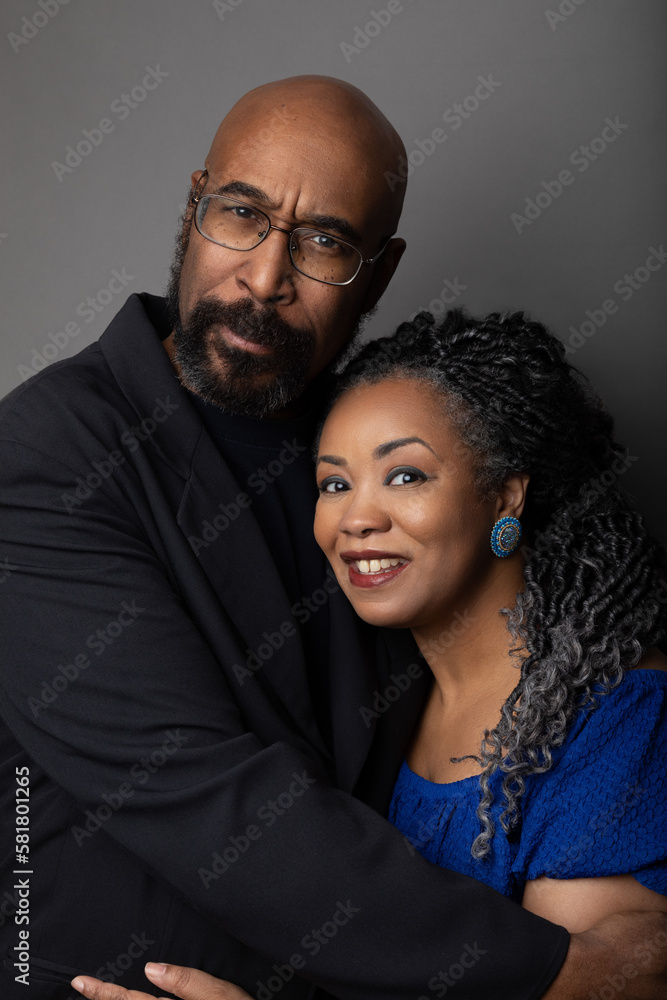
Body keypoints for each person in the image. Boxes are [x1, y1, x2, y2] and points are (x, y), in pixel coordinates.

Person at [0, 75, 664, 1000]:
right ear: (194, 209)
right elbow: (204, 796)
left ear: (379, 273)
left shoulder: (367, 441)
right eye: (240, 214)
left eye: (322, 243)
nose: (264, 279)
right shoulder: (44, 452)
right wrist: (564, 977)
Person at [69, 307, 667, 1000]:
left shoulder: (618, 716)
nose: (356, 517)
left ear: (506, 494)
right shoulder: (385, 699)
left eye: (405, 476)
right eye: (333, 483)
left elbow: (609, 978)